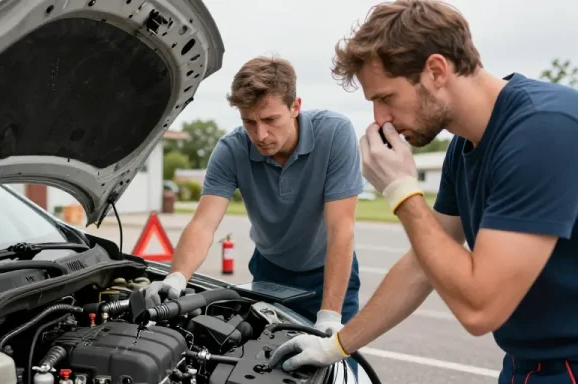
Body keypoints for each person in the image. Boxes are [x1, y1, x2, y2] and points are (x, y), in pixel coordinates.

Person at [266, 1, 578, 382]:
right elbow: (422, 266)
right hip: (527, 363)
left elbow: (481, 309)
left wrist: (402, 192)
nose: (380, 120)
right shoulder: (463, 149)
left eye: (386, 98)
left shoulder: (543, 130)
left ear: (435, 71)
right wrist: (335, 345)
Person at [144, 55, 364, 373]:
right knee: (269, 368)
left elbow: (341, 228)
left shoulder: (335, 134)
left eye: (270, 120)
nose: (260, 134)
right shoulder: (231, 149)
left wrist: (329, 316)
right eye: (249, 121)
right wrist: (177, 277)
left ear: (295, 106)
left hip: (327, 275)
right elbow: (204, 223)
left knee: (338, 373)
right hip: (270, 274)